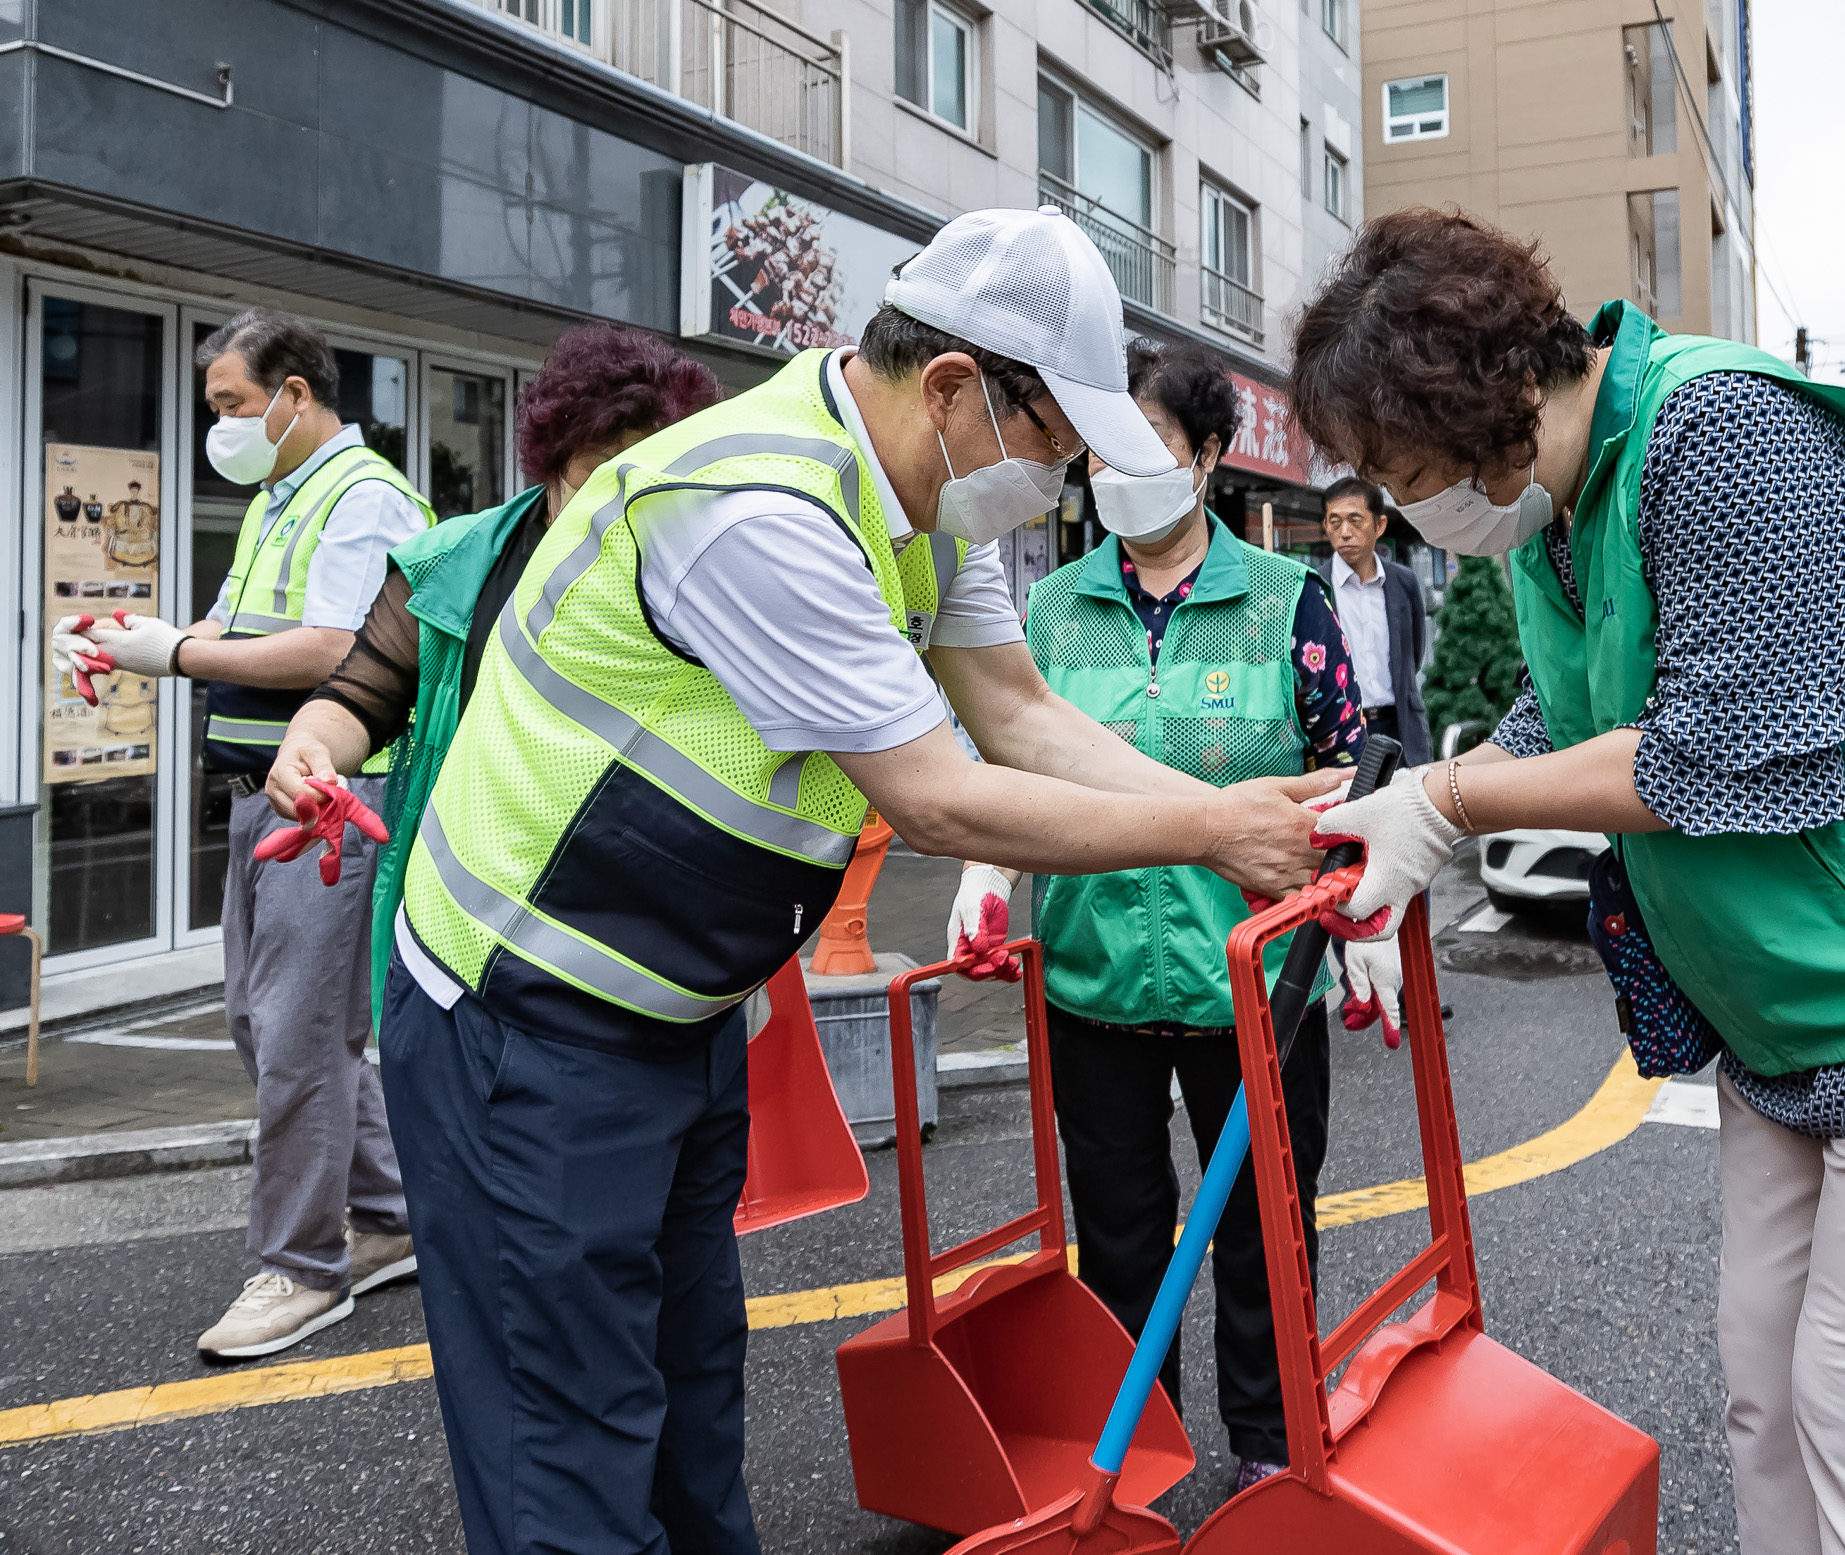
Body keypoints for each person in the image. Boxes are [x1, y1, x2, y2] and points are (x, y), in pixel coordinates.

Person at [275, 207, 1337, 1555]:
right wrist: (1213, 836)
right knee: (572, 1442)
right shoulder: (760, 509)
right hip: (522, 1015)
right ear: (955, 387)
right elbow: (938, 793)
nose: (1058, 481)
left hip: (676, 1006)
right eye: (1052, 442)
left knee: (689, 1404)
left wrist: (1238, 812)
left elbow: (1017, 714)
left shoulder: (924, 501)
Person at [1289, 209, 1845, 1555]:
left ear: (1492, 397)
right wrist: (1397, 822)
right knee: (1768, 1394)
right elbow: (1564, 714)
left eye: (1404, 468)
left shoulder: (1727, 430)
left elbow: (1721, 753)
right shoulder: (1554, 516)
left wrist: (1447, 800)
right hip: (1796, 1004)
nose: (1406, 507)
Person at [947, 342, 1396, 1499]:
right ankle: (1138, 1456)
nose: (1116, 472)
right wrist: (989, 870)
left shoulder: (1285, 599)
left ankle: (1266, 1448)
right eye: (1100, 451)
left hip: (1257, 982)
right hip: (1092, 981)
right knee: (1122, 1238)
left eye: (1147, 448)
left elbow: (1351, 773)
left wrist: (1370, 909)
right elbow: (1015, 761)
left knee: (1264, 1227)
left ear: (1206, 457)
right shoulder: (1047, 606)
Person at [60, 308, 435, 1359]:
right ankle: (394, 1215)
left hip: (328, 804)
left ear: (296, 394)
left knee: (300, 1038)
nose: (220, 425)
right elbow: (230, 626)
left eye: (232, 404)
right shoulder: (286, 496)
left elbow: (329, 645)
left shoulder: (362, 499)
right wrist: (134, 640)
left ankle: (302, 1268)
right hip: (264, 797)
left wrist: (175, 655)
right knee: (266, 1023)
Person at [268, 323, 723, 1017]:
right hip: (474, 931)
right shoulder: (456, 563)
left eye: (654, 466)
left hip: (655, 940)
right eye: (602, 465)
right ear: (552, 457)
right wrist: (311, 749)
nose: (626, 489)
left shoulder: (707, 568)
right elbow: (360, 696)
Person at [1321, 476, 1434, 767]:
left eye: (1355, 521)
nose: (1345, 532)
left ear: (1379, 525)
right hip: (1342, 731)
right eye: (1335, 522)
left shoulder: (1403, 581)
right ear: (1325, 527)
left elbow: (1414, 653)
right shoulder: (1315, 586)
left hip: (1400, 726)